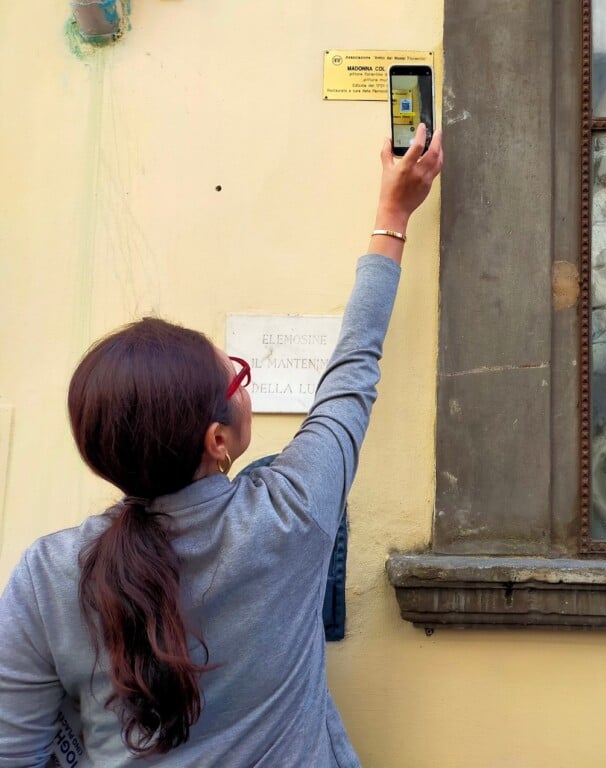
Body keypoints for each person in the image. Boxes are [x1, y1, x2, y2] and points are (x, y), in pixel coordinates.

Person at [0, 122, 443, 767]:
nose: (244, 381)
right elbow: (353, 372)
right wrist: (393, 212)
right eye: (235, 374)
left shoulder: (46, 579)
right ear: (218, 440)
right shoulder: (290, 515)